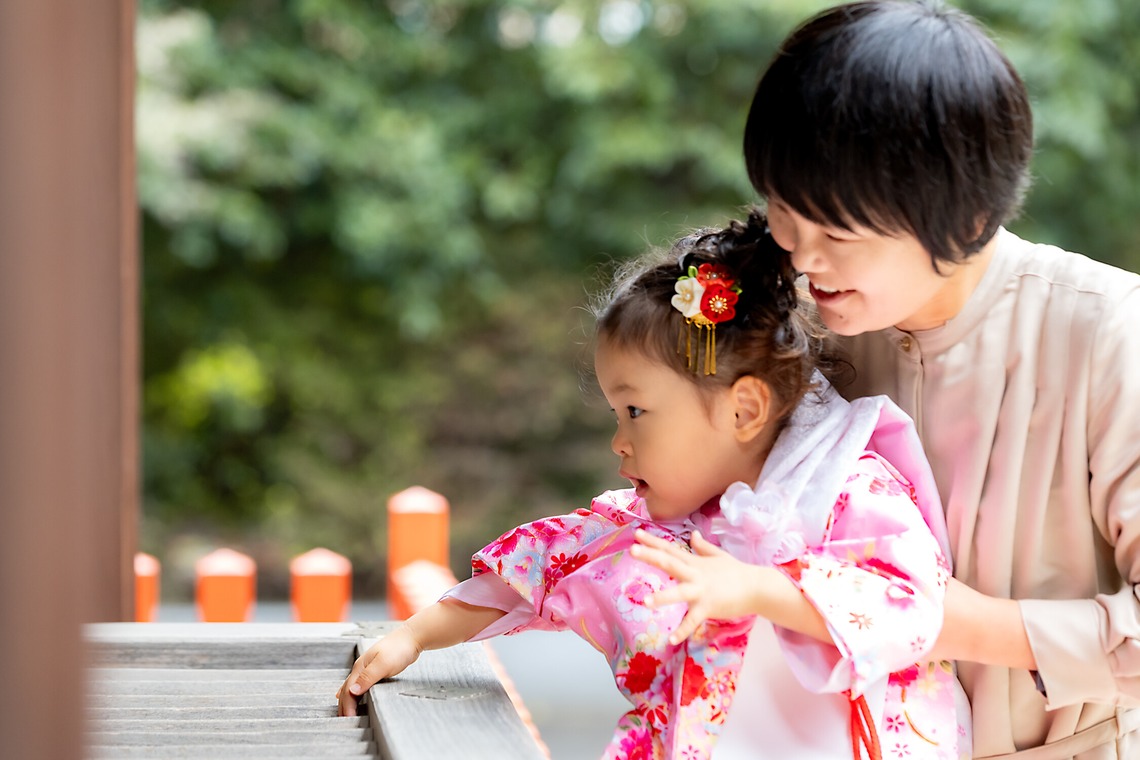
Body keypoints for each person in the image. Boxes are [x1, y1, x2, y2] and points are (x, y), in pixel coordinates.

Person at [338, 210, 970, 759]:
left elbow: (912, 607)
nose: (619, 440)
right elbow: (537, 570)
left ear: (743, 411)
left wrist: (757, 588)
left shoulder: (850, 491)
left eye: (635, 411)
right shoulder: (658, 527)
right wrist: (414, 636)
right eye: (617, 415)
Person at [688, 1, 1140, 757]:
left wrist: (954, 622)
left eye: (838, 232)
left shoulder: (1108, 333)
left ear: (968, 222)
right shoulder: (793, 328)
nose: (801, 259)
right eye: (782, 213)